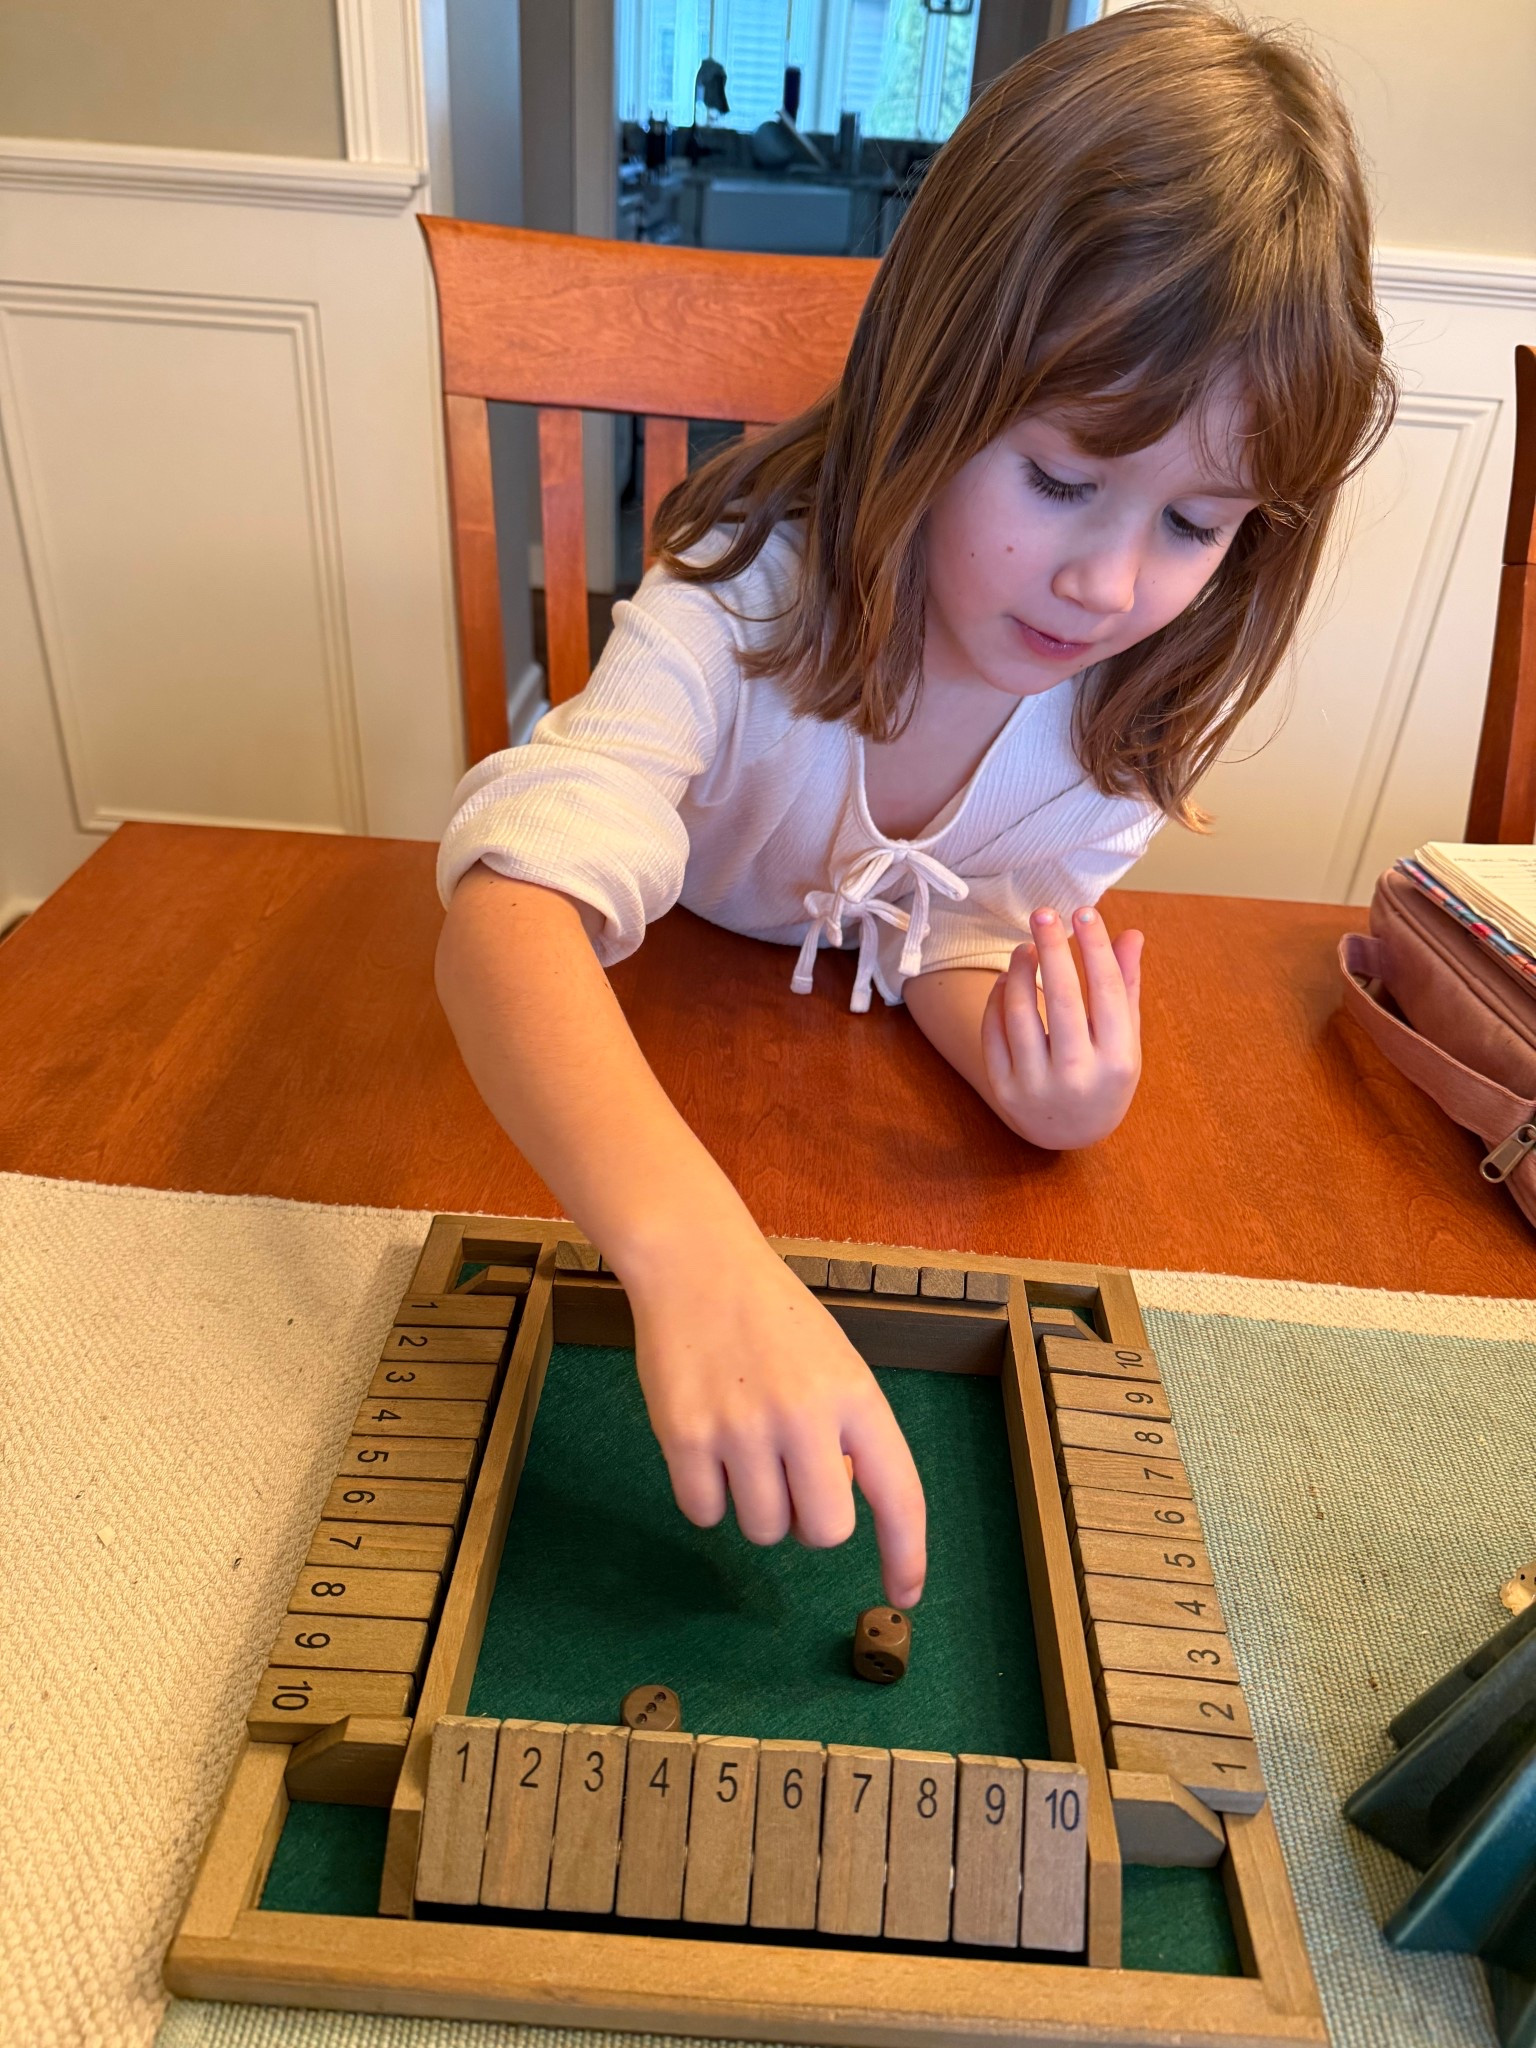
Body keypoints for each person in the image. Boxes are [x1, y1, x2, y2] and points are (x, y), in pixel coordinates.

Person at [434, 3, 1394, 1613]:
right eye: (1063, 482)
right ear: (930, 389)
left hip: (828, 1111)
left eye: (1196, 522)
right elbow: (504, 915)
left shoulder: (1122, 715)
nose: (1109, 584)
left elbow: (955, 922)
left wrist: (1035, 1077)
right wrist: (690, 1250)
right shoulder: (732, 603)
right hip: (621, 1056)